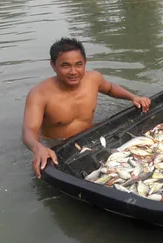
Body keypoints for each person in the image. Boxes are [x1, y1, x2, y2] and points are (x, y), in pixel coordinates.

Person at [22, 37, 152, 179]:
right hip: (60, 147)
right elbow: (29, 130)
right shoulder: (39, 94)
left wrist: (133, 97)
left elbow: (110, 89)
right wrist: (38, 148)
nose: (73, 71)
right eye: (66, 65)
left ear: (85, 63)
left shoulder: (93, 79)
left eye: (78, 64)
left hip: (91, 138)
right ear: (53, 65)